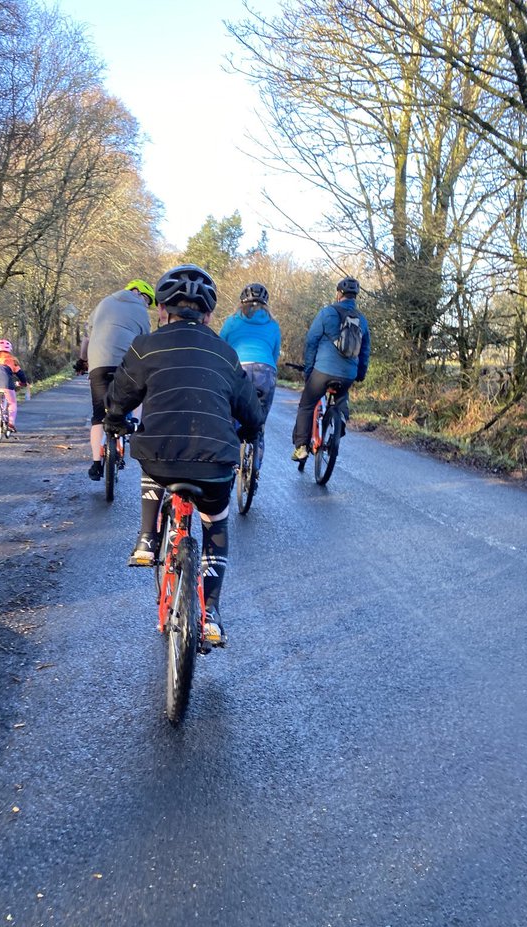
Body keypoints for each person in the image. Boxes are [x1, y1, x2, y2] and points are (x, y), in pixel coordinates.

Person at [103, 264, 263, 648]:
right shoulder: (226, 354)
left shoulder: (145, 346)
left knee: (154, 452)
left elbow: (119, 397)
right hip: (215, 462)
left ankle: (146, 538)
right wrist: (247, 431)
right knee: (215, 525)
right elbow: (252, 414)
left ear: (161, 310)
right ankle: (212, 614)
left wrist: (115, 421)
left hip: (160, 458)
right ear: (208, 316)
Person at [78, 279, 155, 480]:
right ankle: (134, 423)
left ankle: (96, 464)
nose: (146, 305)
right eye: (147, 300)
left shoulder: (103, 303)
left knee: (98, 416)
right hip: (126, 365)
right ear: (138, 293)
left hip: (99, 364)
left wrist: (82, 360)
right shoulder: (141, 312)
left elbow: (87, 338)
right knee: (140, 390)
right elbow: (146, 343)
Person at [292, 277, 370, 461]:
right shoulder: (362, 320)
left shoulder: (327, 313)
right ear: (355, 296)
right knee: (342, 395)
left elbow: (311, 341)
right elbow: (365, 350)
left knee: (306, 405)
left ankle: (301, 447)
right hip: (348, 374)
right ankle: (340, 416)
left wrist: (309, 370)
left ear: (339, 294)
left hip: (323, 371)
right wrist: (360, 374)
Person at [218, 283, 281, 468]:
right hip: (266, 370)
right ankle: (255, 466)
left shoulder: (232, 321)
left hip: (239, 368)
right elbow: (275, 354)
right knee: (259, 421)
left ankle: (229, 461)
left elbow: (221, 348)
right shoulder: (273, 325)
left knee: (230, 416)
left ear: (241, 302)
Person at [0, 339, 30, 431]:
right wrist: (23, 382)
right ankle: (11, 423)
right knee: (12, 403)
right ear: (9, 349)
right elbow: (20, 374)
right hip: (7, 385)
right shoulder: (12, 360)